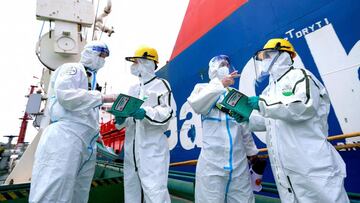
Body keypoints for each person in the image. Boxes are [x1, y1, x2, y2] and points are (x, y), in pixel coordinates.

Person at [240, 38, 349, 202]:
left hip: (312, 164)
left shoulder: (300, 76)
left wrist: (263, 103)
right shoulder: (269, 89)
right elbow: (270, 120)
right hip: (286, 171)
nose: (264, 61)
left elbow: (304, 106)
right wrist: (247, 120)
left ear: (283, 55)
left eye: (267, 56)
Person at [29, 41, 117, 203]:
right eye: (100, 55)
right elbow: (66, 96)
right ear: (89, 53)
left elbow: (84, 110)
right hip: (66, 137)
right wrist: (104, 97)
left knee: (79, 192)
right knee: (54, 188)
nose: (102, 60)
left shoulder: (90, 78)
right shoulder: (73, 69)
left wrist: (96, 130)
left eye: (105, 57)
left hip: (85, 142)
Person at [187, 55, 258, 203]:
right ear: (213, 69)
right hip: (212, 165)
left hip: (239, 164)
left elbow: (244, 126)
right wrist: (220, 85)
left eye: (227, 64)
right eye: (222, 65)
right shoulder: (202, 89)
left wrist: (252, 152)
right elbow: (196, 105)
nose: (226, 67)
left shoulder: (235, 95)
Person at [116, 45, 173, 202]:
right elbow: (127, 117)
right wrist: (120, 119)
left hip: (151, 149)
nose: (133, 66)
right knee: (131, 191)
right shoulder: (132, 89)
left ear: (147, 63)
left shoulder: (161, 85)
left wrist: (146, 113)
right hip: (131, 151)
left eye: (136, 62)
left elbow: (167, 113)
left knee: (155, 192)